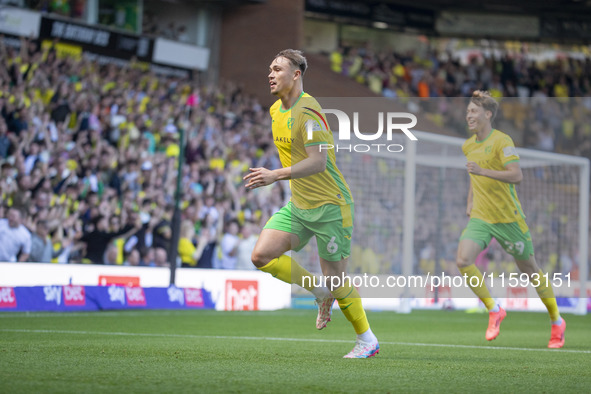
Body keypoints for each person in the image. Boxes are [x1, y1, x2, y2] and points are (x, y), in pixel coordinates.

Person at [244, 49, 379, 358]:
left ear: (296, 75)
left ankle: (367, 340)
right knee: (261, 256)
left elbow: (318, 162)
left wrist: (275, 175)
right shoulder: (276, 111)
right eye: (269, 68)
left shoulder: (310, 112)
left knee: (337, 278)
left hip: (331, 206)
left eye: (277, 69)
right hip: (300, 205)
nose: (270, 74)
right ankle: (319, 293)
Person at [457, 90, 565, 348]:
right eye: (468, 111)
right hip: (482, 217)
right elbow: (475, 176)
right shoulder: (468, 145)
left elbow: (516, 175)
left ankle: (556, 321)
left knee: (530, 270)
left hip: (509, 219)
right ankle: (494, 309)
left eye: (473, 111)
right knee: (463, 260)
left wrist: (484, 170)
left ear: (487, 114)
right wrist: (470, 201)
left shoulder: (502, 141)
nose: (468, 114)